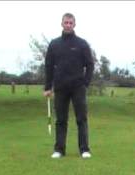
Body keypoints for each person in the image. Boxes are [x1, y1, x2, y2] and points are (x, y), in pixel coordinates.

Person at [44, 13, 95, 159]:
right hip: (60, 87)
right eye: (65, 22)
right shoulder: (54, 44)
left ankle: (84, 149)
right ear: (61, 24)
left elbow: (90, 65)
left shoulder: (82, 44)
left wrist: (85, 83)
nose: (68, 25)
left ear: (74, 25)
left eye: (70, 23)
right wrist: (47, 87)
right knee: (61, 120)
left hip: (77, 87)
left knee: (81, 119)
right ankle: (59, 150)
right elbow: (49, 66)